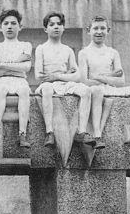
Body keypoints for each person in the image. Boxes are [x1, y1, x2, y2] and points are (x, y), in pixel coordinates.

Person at [78, 15, 130, 151]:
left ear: (108, 30)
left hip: (111, 88)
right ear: (88, 30)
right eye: (95, 28)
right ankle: (97, 136)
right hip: (95, 90)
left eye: (103, 28)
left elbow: (121, 81)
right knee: (97, 90)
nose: (99, 32)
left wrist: (100, 77)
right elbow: (85, 80)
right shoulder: (84, 53)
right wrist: (109, 76)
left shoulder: (112, 52)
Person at [34, 12, 93, 147]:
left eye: (59, 24)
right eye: (52, 24)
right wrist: (65, 74)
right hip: (48, 85)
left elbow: (77, 76)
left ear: (63, 28)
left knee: (86, 90)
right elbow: (39, 75)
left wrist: (57, 75)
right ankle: (50, 132)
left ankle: (81, 132)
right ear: (45, 29)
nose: (56, 27)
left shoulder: (68, 50)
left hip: (64, 83)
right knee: (47, 89)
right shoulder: (41, 48)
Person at [0, 8, 33, 147]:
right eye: (6, 23)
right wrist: (16, 63)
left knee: (25, 92)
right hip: (2, 80)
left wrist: (1, 65)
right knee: (0, 92)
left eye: (13, 23)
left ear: (20, 26)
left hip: (20, 80)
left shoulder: (25, 45)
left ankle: (22, 134)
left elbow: (26, 68)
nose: (10, 26)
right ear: (0, 28)